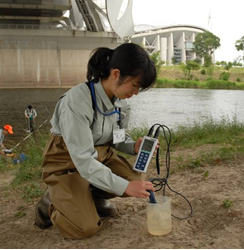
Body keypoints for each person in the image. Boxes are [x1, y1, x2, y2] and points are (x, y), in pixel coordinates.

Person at [34, 43, 157, 239]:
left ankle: (88, 197)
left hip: (99, 155)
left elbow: (117, 137)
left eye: (139, 88)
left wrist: (132, 146)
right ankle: (51, 202)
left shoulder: (121, 103)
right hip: (67, 160)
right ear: (116, 74)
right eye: (135, 85)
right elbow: (83, 160)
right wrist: (124, 187)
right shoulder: (76, 101)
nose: (135, 93)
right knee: (85, 228)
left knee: (135, 181)